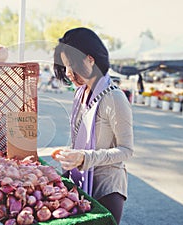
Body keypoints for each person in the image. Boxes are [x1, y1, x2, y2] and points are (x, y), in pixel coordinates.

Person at [52, 27, 134, 225]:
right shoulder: (80, 93)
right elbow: (80, 139)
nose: (68, 73)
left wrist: (85, 157)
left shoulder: (114, 97)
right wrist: (71, 157)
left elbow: (126, 150)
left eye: (71, 65)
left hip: (107, 188)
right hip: (81, 180)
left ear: (90, 59)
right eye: (65, 66)